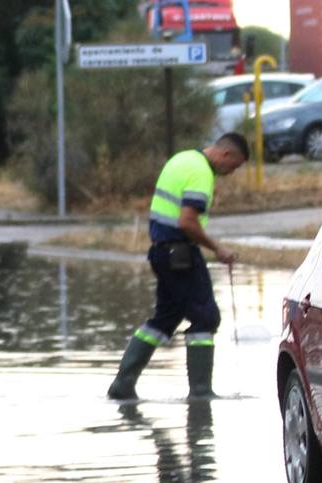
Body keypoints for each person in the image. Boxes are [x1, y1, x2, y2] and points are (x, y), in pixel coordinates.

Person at [107, 133, 251, 400]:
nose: (231, 173)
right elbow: (187, 222)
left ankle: (123, 385)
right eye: (234, 166)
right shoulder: (201, 173)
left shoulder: (183, 159)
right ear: (225, 155)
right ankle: (200, 392)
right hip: (180, 254)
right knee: (205, 317)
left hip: (162, 252)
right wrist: (217, 248)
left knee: (165, 319)